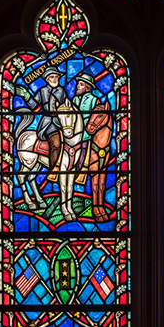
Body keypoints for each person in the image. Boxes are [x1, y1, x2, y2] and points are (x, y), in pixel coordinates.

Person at [72, 73, 113, 221]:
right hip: (75, 129)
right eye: (78, 84)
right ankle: (76, 168)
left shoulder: (94, 100)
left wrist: (87, 125)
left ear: (88, 87)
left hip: (87, 131)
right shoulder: (75, 99)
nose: (78, 86)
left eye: (81, 84)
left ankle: (99, 204)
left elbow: (95, 115)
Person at [23, 67, 69, 185]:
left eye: (56, 77)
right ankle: (53, 171)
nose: (55, 79)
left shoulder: (61, 91)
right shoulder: (42, 91)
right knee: (56, 144)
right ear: (47, 79)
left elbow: (66, 105)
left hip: (61, 121)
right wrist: (26, 96)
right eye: (52, 77)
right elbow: (34, 105)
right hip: (48, 122)